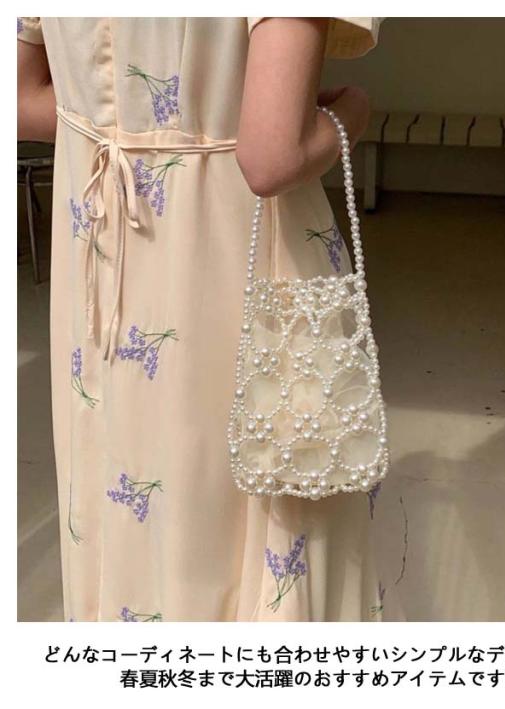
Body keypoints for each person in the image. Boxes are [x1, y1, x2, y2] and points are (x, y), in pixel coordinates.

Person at [17, 16, 390, 621]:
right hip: (230, 253)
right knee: (246, 495)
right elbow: (272, 156)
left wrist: (130, 120)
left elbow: (20, 99)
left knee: (117, 473)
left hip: (100, 244)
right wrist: (353, 111)